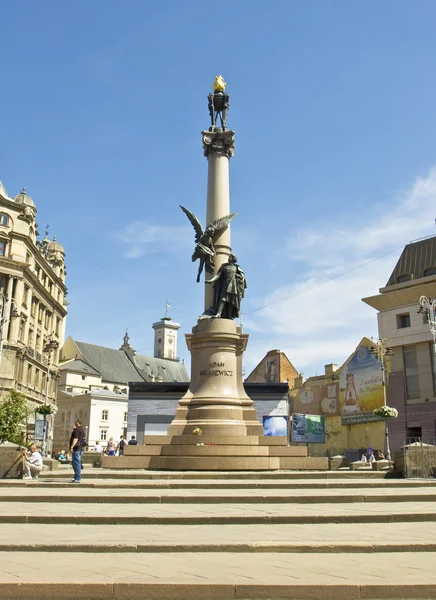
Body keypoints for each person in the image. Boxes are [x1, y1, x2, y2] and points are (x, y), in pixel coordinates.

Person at [206, 254, 246, 319]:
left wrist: (238, 276)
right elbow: (218, 275)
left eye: (229, 257)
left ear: (233, 259)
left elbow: (242, 277)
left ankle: (229, 316)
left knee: (231, 301)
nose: (228, 258)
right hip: (225, 285)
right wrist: (211, 280)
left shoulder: (236, 267)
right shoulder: (224, 266)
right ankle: (218, 313)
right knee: (223, 300)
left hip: (233, 286)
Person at [69, 418, 84, 483]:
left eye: (75, 422)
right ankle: (76, 476)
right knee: (76, 463)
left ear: (78, 422)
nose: (75, 423)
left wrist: (71, 447)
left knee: (76, 463)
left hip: (76, 448)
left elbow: (76, 438)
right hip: (80, 448)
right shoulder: (82, 430)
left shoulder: (77, 430)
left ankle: (77, 477)